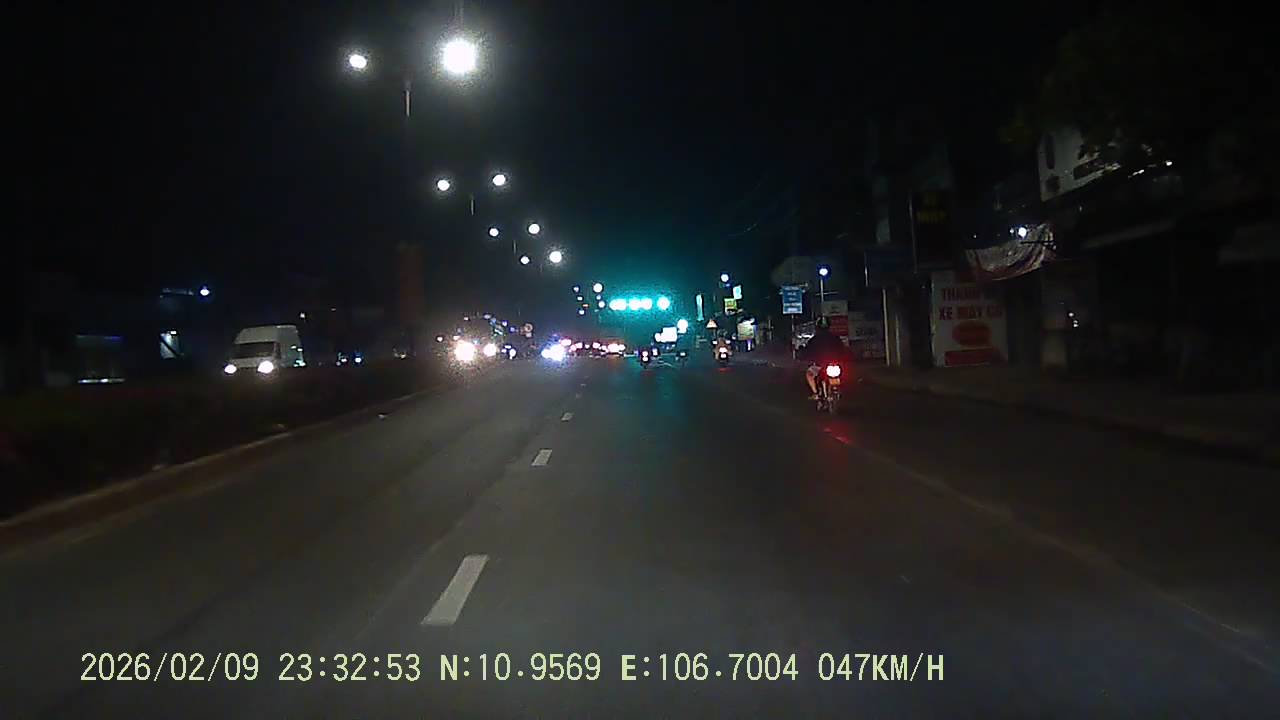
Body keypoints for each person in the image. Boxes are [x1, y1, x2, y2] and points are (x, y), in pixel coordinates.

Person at [798, 317, 851, 398]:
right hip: (835, 365)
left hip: (820, 365)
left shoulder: (813, 340)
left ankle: (815, 393)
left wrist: (803, 356)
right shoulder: (836, 338)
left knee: (809, 374)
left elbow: (806, 352)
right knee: (845, 375)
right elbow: (843, 350)